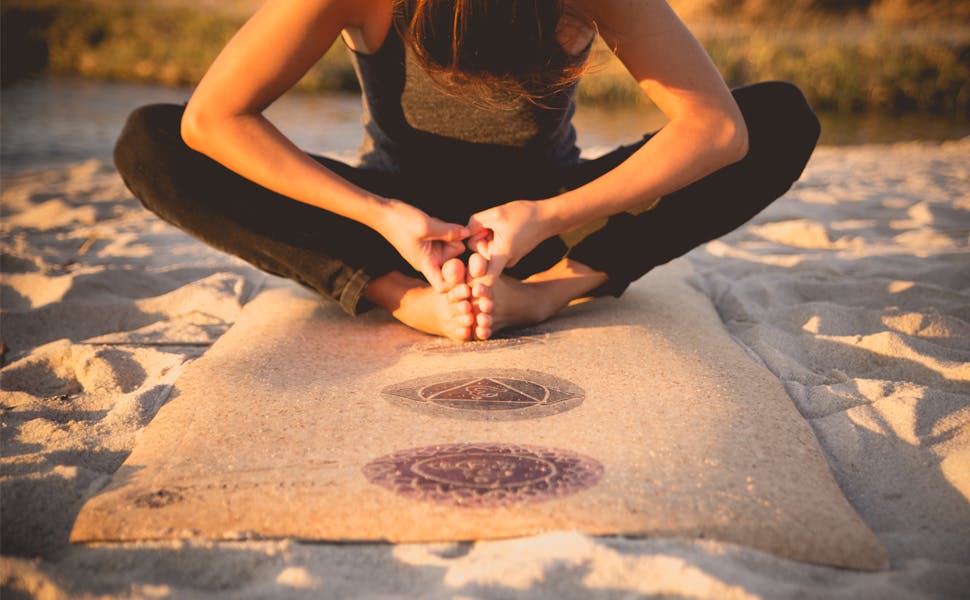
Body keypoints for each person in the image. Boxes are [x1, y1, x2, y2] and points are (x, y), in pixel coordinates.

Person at [114, 0, 820, 342]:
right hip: (394, 226)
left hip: (548, 227)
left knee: (780, 117)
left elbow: (718, 130)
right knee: (151, 140)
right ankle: (403, 299)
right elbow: (213, 119)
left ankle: (544, 296)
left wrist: (550, 217)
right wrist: (383, 217)